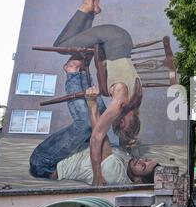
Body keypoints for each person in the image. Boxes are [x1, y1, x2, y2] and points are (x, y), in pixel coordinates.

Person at [52, 0, 142, 185]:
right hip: (113, 37)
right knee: (60, 46)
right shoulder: (122, 100)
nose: (116, 121)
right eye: (120, 124)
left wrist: (91, 61)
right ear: (128, 119)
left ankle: (92, 10)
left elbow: (104, 75)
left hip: (119, 42)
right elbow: (96, 138)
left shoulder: (135, 98)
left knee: (75, 45)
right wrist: (97, 176)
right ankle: (87, 7)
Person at [29, 62, 157, 185]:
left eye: (143, 166)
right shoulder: (129, 160)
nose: (141, 161)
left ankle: (72, 71)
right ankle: (84, 73)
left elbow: (100, 136)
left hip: (46, 164)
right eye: (146, 160)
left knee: (85, 125)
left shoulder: (115, 176)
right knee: (104, 121)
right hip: (76, 151)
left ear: (138, 181)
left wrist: (92, 103)